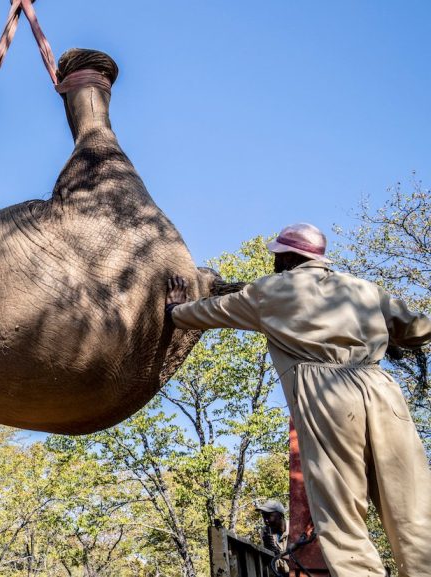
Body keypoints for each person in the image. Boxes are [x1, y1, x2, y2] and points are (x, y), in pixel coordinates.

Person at [166, 223, 431, 577]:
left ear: (289, 256)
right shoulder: (364, 289)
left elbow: (207, 313)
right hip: (382, 389)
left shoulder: (269, 291)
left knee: (341, 513)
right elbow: (418, 329)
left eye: (277, 254)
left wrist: (175, 309)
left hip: (328, 396)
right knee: (412, 506)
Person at [255, 499, 290, 576]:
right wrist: (267, 551)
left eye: (269, 516)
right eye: (264, 517)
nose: (266, 521)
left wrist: (278, 553)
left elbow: (298, 559)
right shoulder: (265, 531)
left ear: (280, 516)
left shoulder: (293, 529)